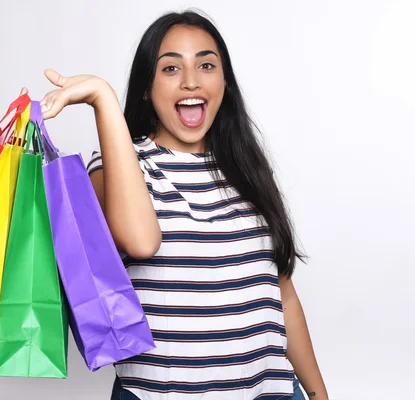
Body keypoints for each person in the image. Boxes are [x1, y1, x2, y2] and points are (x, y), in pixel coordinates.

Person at [23, 10, 328, 400]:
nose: (190, 81)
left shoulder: (246, 169)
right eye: (170, 68)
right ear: (147, 88)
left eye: (206, 65)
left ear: (224, 83)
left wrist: (318, 394)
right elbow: (140, 241)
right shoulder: (118, 167)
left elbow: (280, 294)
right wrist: (104, 100)